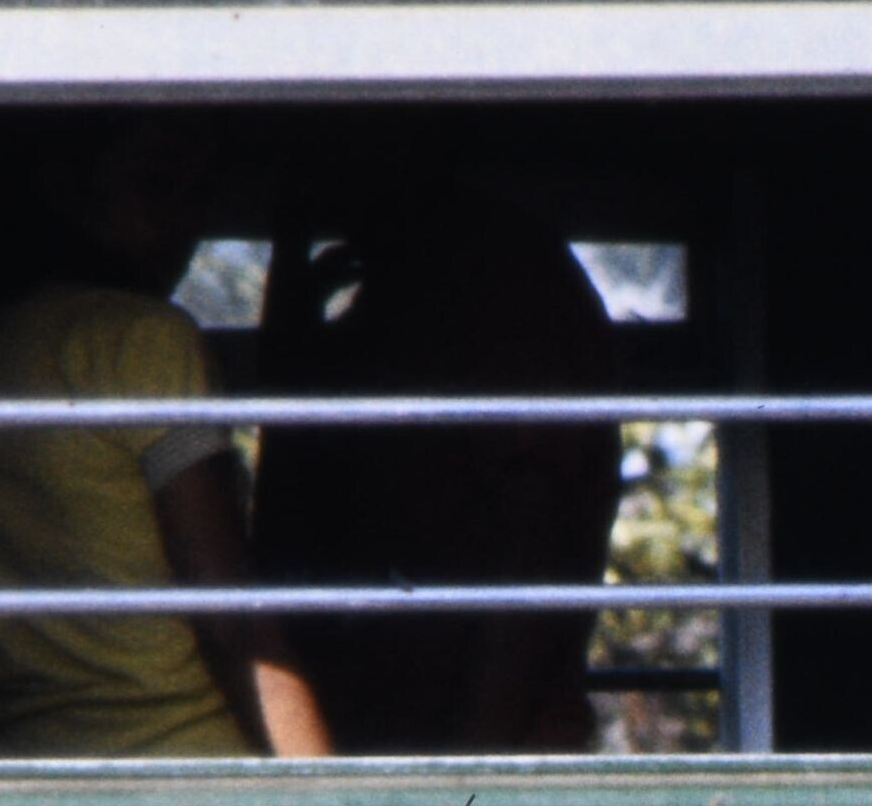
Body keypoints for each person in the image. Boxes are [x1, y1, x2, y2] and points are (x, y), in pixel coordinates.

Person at [0, 118, 331, 759]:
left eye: (200, 192)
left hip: (33, 766)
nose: (185, 221)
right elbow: (230, 614)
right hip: (184, 764)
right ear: (66, 188)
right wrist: (325, 795)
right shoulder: (145, 339)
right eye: (155, 186)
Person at [245, 173, 624, 755]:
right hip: (382, 729)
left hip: (470, 737)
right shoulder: (389, 300)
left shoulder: (500, 286)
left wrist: (471, 773)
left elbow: (529, 549)